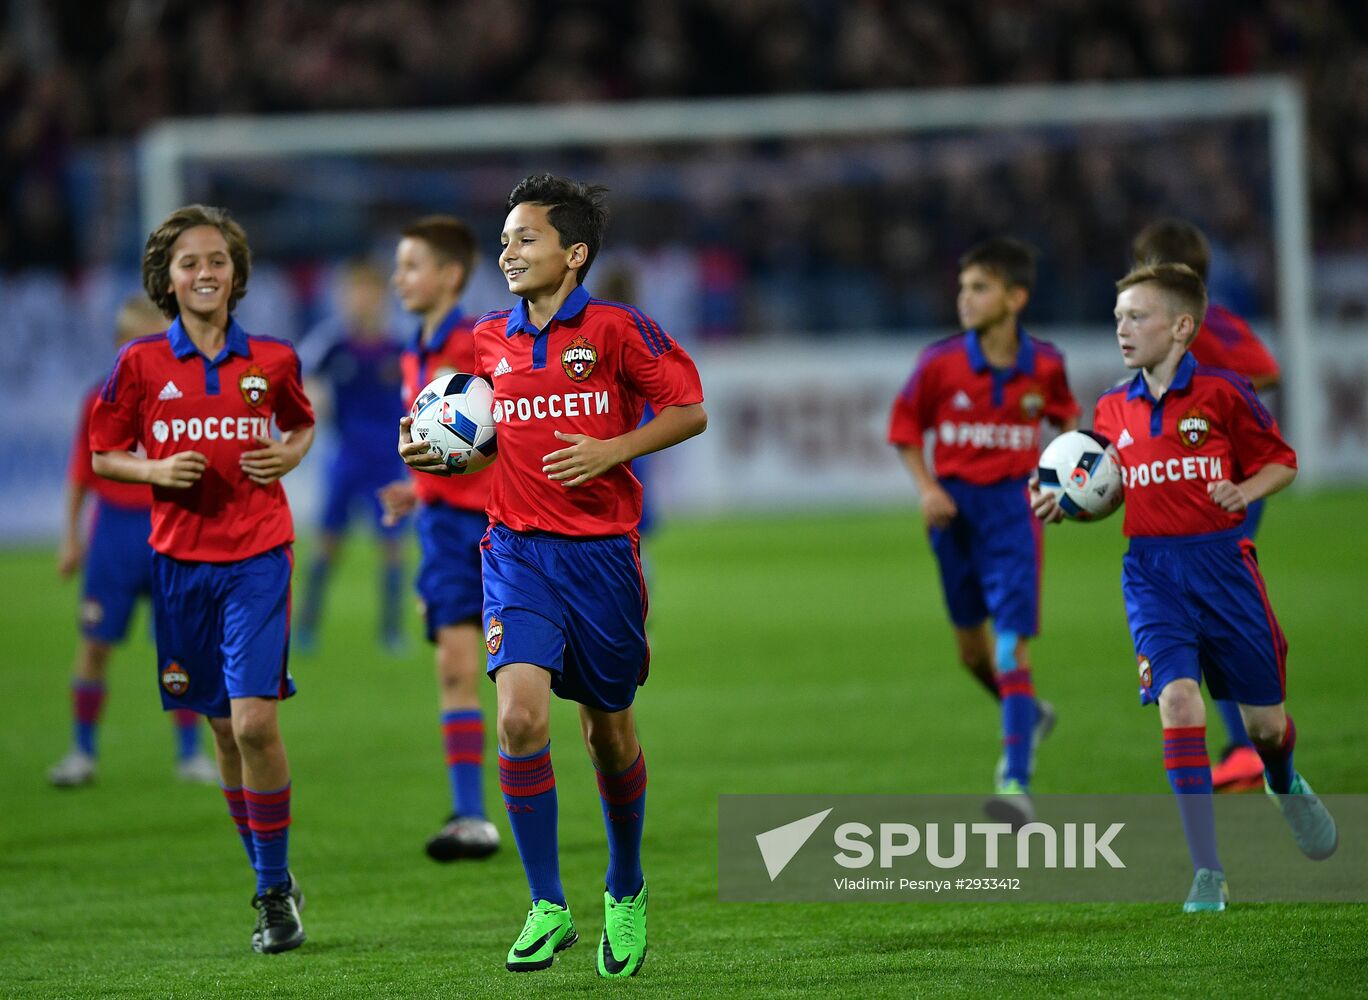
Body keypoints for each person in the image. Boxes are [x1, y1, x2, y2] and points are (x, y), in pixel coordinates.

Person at [399, 175, 706, 977]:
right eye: (504, 238)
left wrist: (613, 449)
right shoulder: (486, 339)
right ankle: (545, 903)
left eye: (525, 238)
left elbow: (689, 409)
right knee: (520, 720)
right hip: (515, 552)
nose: (508, 249)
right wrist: (433, 450)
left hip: (602, 555)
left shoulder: (613, 330)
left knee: (608, 733)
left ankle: (627, 886)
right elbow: (484, 431)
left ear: (574, 254)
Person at [1033, 261, 1336, 912]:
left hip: (1224, 570)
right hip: (1151, 575)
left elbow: (1281, 461)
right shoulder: (1112, 408)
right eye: (1117, 318)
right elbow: (1112, 486)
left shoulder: (1225, 395)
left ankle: (1282, 781)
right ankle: (1207, 871)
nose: (1122, 328)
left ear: (1181, 326)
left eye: (1136, 316)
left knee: (1264, 728)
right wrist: (1074, 503)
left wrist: (1244, 489)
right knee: (1179, 703)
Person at [89, 205, 315, 953]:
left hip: (257, 556)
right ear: (167, 279)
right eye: (189, 263)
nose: (205, 272)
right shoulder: (141, 364)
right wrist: (154, 467)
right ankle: (268, 876)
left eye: (217, 259)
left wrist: (290, 454)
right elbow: (103, 453)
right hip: (181, 566)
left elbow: (301, 423)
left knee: (254, 722)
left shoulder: (274, 359)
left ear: (236, 273)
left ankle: (274, 891)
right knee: (221, 729)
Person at [886, 237, 1078, 826]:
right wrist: (928, 488)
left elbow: (1067, 418)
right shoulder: (940, 363)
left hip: (1015, 512)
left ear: (1015, 297)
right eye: (963, 287)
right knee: (972, 655)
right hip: (954, 515)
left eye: (979, 287)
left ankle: (1014, 779)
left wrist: (1062, 477)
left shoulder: (1044, 365)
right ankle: (1029, 714)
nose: (964, 298)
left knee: (1008, 643)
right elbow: (904, 430)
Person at [1131, 219, 1282, 792]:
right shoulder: (1170, 330)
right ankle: (1247, 742)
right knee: (1205, 609)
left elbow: (1268, 371)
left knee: (1207, 611)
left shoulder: (1207, 326)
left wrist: (1213, 401)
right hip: (1197, 486)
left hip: (1223, 486)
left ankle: (1248, 745)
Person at [48, 294, 218, 788]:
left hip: (172, 532)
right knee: (95, 644)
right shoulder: (98, 400)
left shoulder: (188, 399)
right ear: (121, 344)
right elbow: (81, 472)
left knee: (180, 648)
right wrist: (70, 539)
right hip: (115, 537)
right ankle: (82, 752)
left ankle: (189, 754)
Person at [376, 216, 500, 862]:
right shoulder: (413, 351)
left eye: (412, 266)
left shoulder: (479, 344)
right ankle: (470, 815)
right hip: (443, 529)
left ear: (449, 275)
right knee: (454, 666)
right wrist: (414, 486)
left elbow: (496, 434)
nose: (399, 278)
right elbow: (444, 446)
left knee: (526, 683)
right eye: (399, 266)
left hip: (501, 526)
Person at [294, 261, 410, 654]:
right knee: (327, 542)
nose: (361, 301)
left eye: (368, 292)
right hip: (345, 458)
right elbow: (299, 374)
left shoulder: (399, 347)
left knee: (393, 547)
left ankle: (392, 631)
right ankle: (307, 625)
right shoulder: (332, 343)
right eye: (354, 292)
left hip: (386, 462)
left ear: (381, 298)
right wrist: (313, 397)